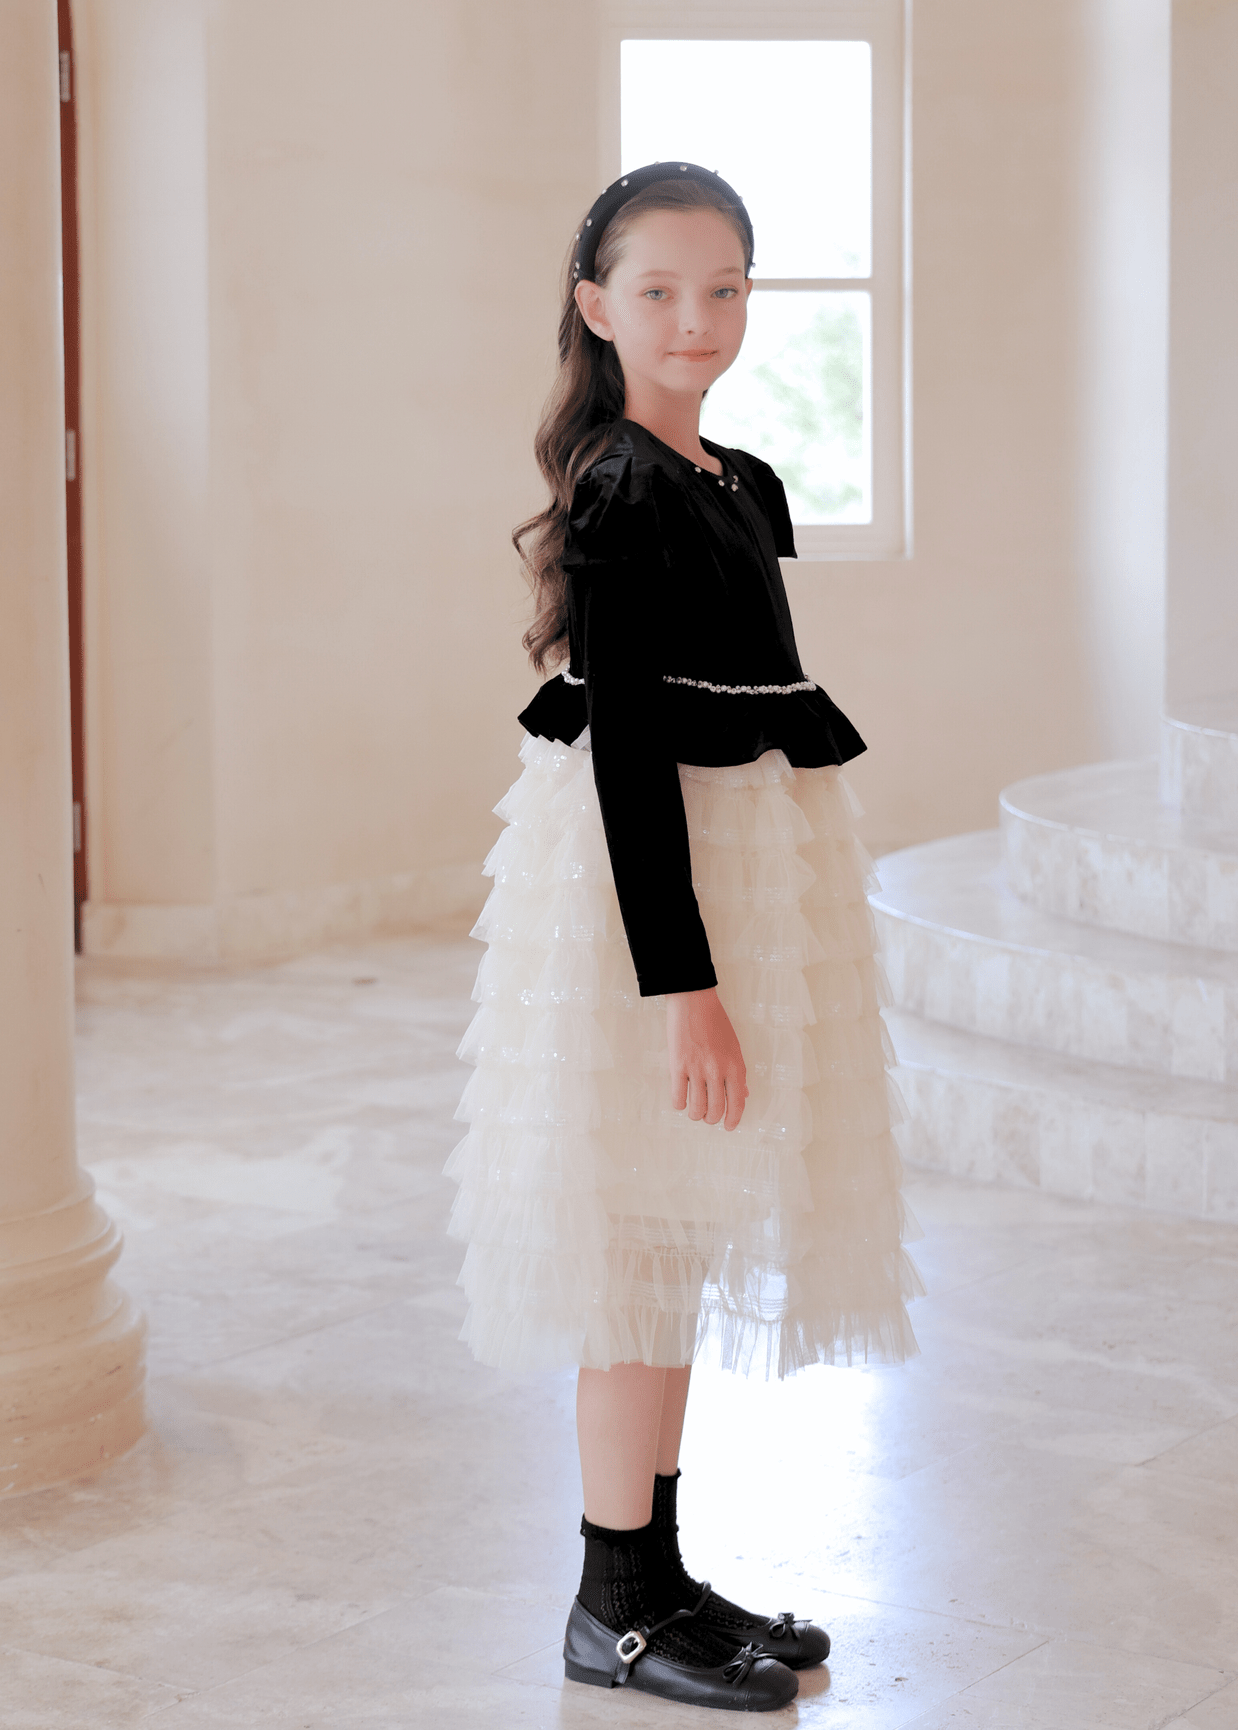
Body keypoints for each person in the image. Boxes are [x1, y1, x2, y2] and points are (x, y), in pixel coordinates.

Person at [446, 162, 920, 1712]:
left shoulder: (738, 480)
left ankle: (656, 1575)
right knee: (635, 1254)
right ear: (595, 305)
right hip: (656, 915)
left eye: (723, 288)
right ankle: (612, 1608)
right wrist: (689, 991)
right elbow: (637, 757)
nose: (695, 319)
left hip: (737, 892)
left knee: (682, 1233)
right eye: (658, 290)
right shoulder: (617, 489)